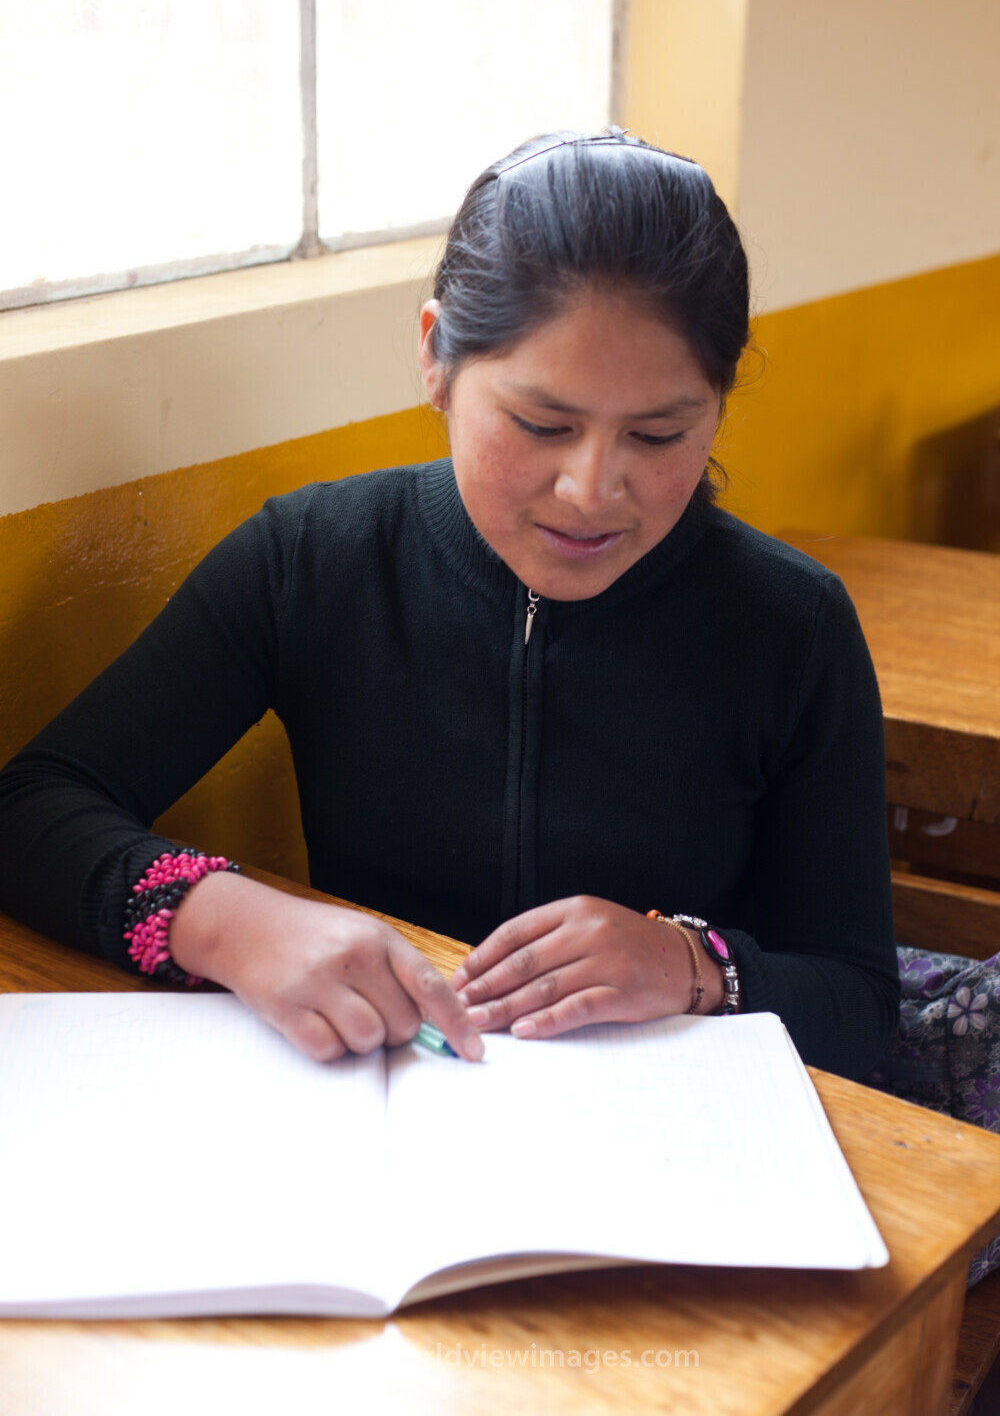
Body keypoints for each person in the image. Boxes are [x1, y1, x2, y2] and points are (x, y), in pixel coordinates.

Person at [0, 128, 901, 1080]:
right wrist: (220, 920)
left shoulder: (791, 624)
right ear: (436, 357)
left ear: (717, 403)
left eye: (659, 433)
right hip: (378, 1098)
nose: (592, 490)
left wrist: (691, 965)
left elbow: (856, 998)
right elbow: (30, 807)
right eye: (541, 424)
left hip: (670, 1139)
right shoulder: (313, 558)